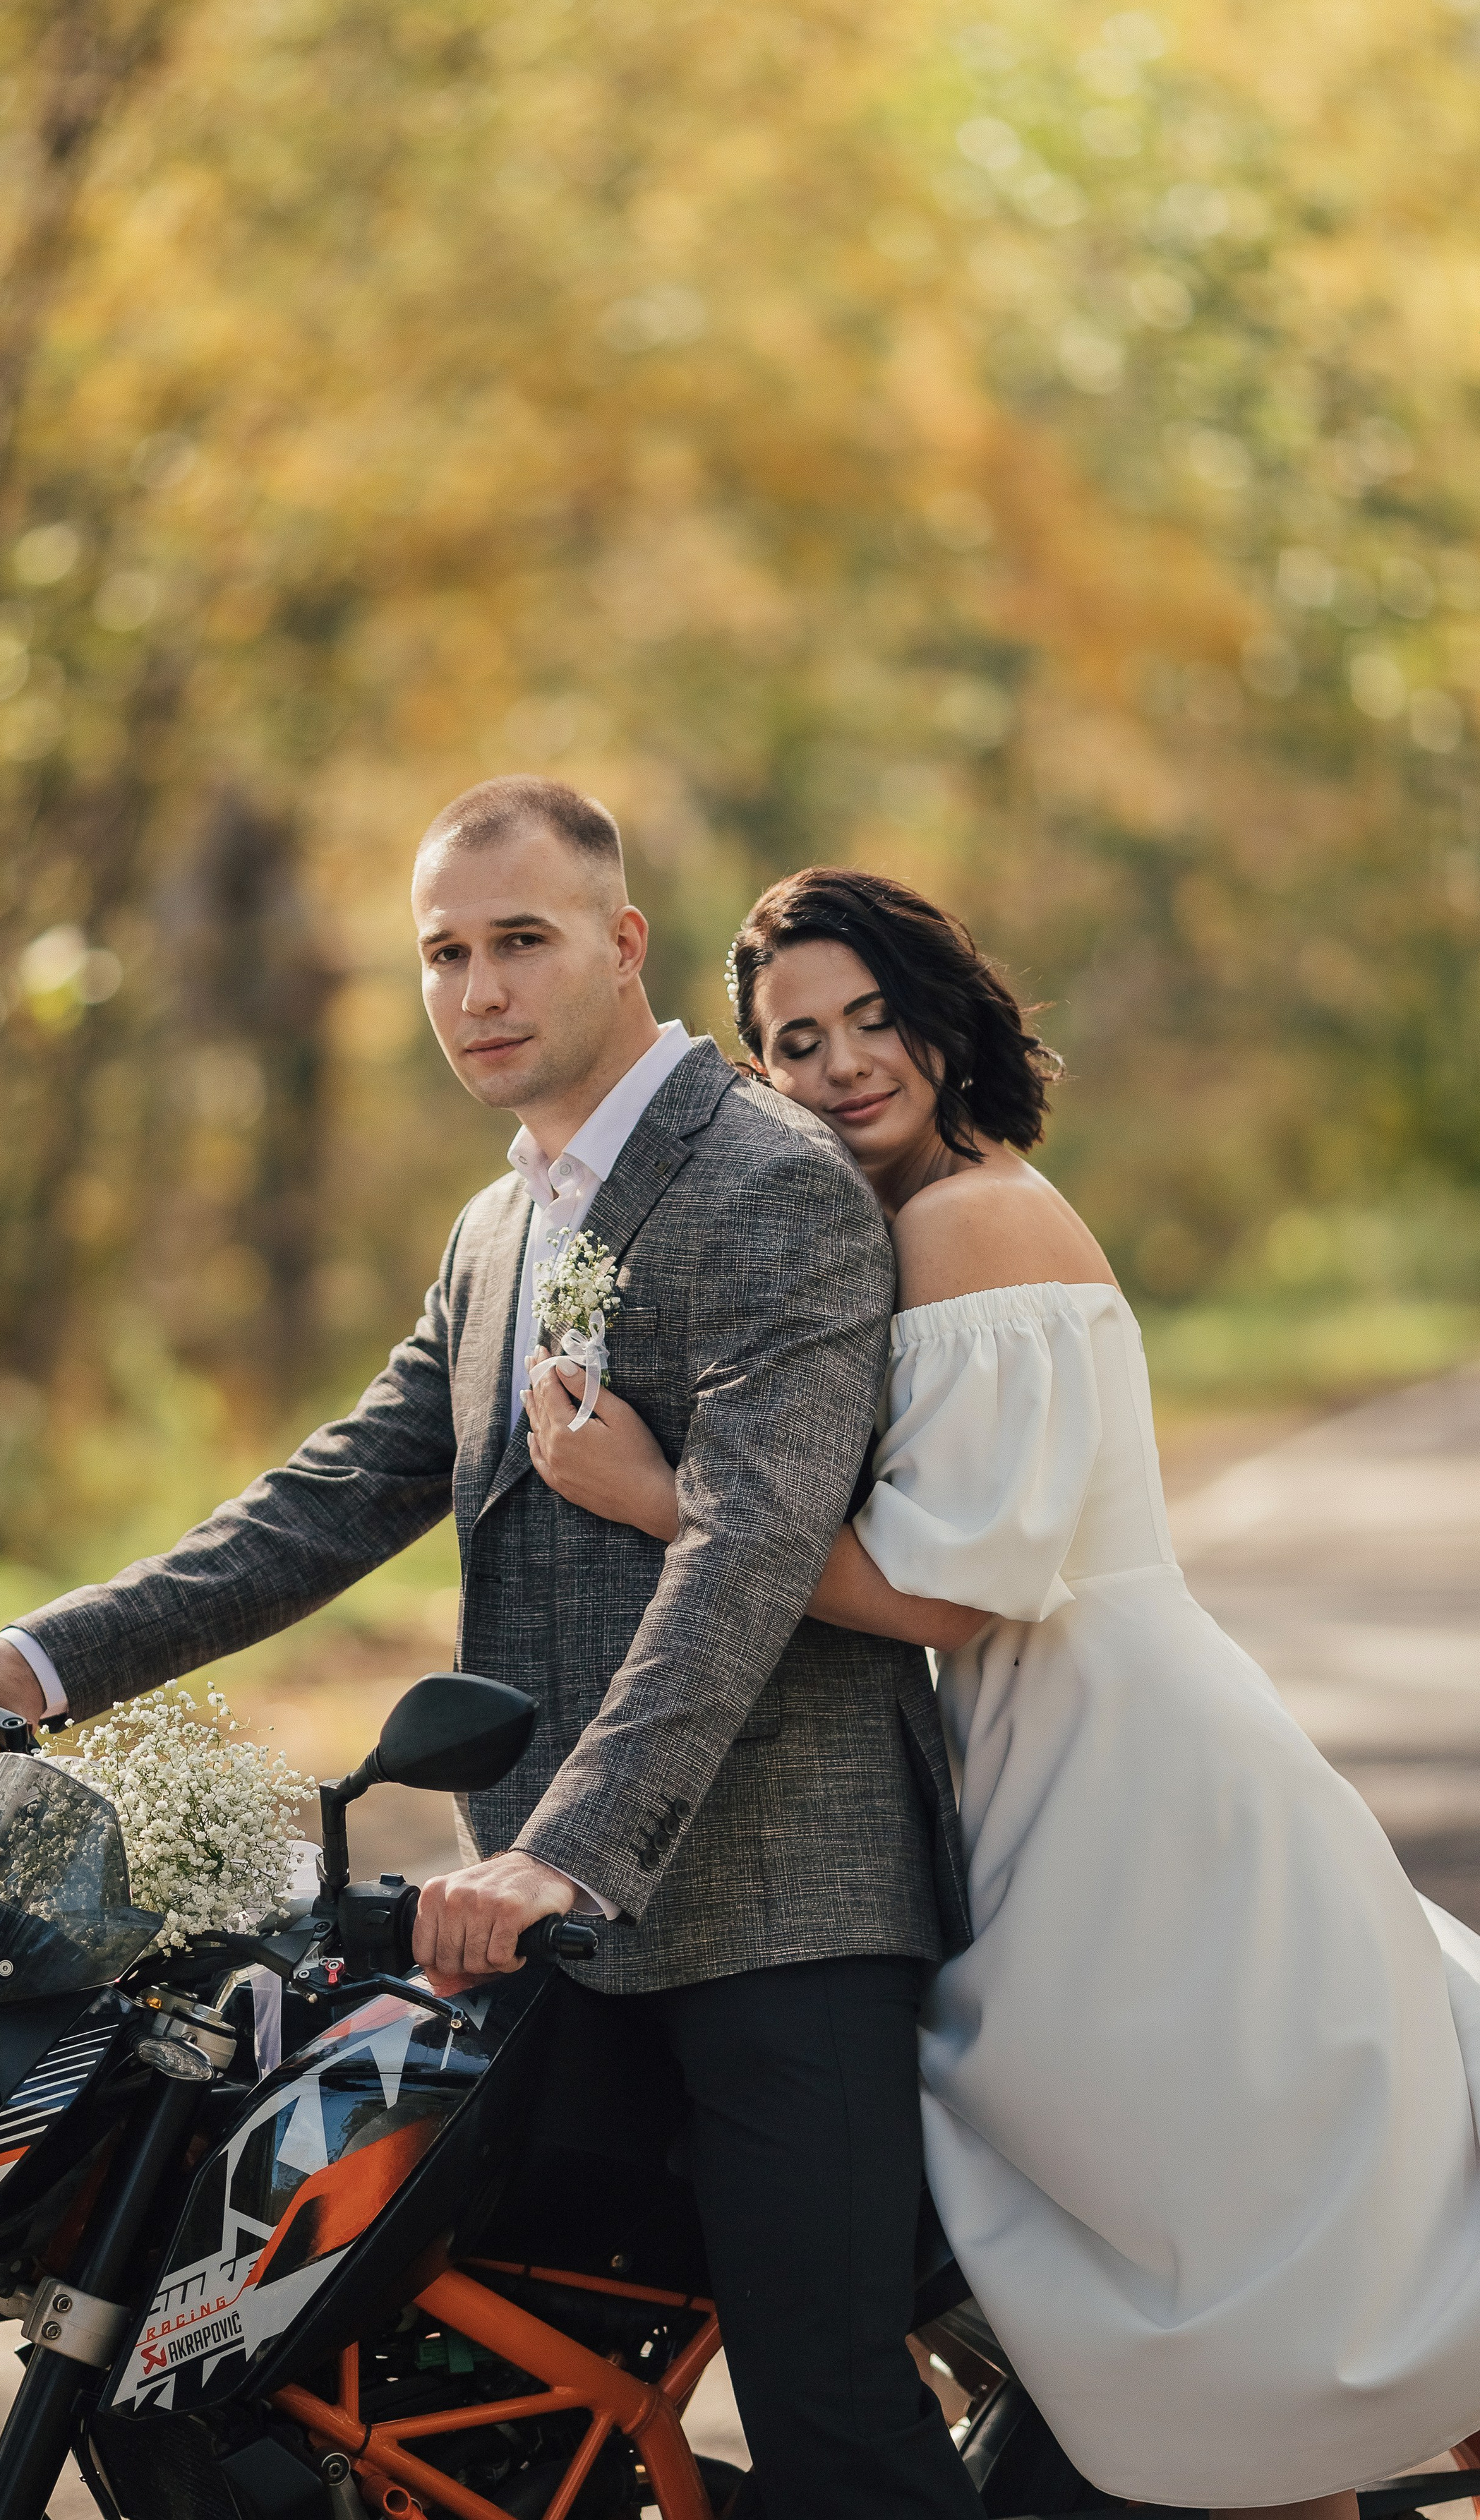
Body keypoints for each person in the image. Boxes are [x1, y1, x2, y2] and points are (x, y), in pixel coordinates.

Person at [0, 779, 988, 2520]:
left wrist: (568, 1851)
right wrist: (48, 1658)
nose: (476, 991)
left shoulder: (766, 1182)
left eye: (519, 942)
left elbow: (745, 1555)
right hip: (562, 1935)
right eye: (442, 954)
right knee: (467, 2392)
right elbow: (344, 1490)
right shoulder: (502, 1225)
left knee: (830, 2415)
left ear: (621, 945)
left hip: (776, 1914)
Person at [524, 862, 1480, 2520]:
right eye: (795, 1042)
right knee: (1208, 2258)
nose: (840, 1065)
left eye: (870, 1018)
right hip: (1051, 1757)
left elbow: (947, 1593)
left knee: (1201, 2244)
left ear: (942, 1019)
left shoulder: (968, 1221)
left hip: (1127, 1777)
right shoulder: (908, 1220)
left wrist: (661, 1496)